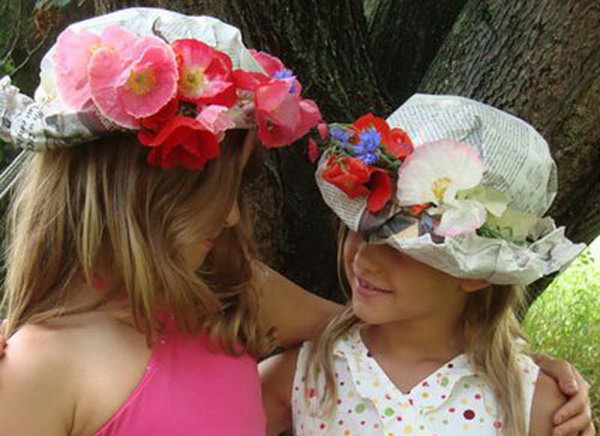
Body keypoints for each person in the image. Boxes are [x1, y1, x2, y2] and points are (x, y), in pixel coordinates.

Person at [0, 8, 338, 435]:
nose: (233, 215)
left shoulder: (229, 290)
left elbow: (354, 333)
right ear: (134, 190)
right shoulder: (37, 371)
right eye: (212, 191)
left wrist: (276, 392)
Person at [261, 95, 596, 435]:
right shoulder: (308, 375)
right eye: (361, 229)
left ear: (476, 273)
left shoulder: (538, 405)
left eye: (400, 247)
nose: (365, 256)